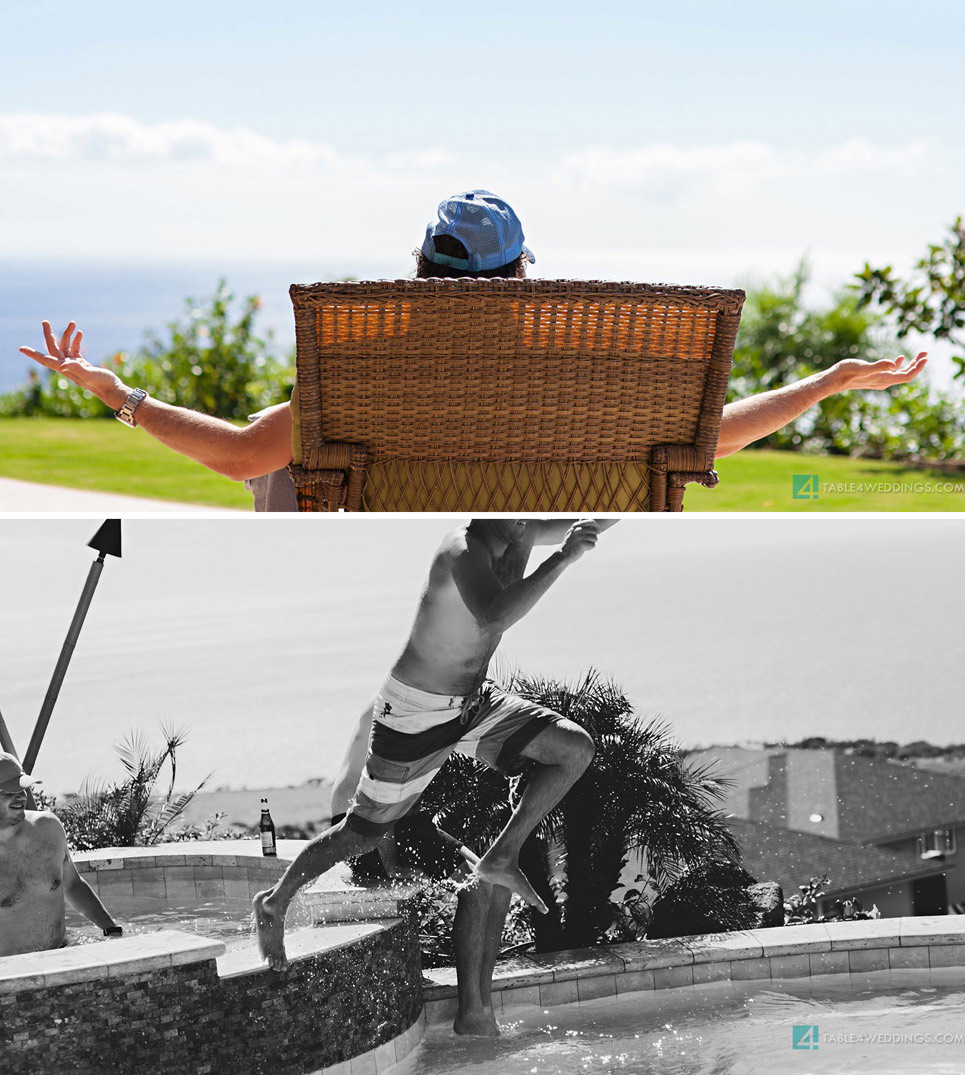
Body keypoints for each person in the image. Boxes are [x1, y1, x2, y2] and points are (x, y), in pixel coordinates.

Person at [18, 190, 927, 508]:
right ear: (525, 276)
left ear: (414, 270)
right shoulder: (580, 372)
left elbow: (239, 457)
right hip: (523, 542)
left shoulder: (366, 369)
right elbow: (708, 437)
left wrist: (118, 394)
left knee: (284, 464)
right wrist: (826, 383)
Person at [253, 517, 614, 1035]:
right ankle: (275, 901)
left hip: (470, 705)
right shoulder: (461, 550)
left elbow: (591, 522)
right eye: (517, 506)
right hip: (418, 712)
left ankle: (503, 856)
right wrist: (564, 558)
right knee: (362, 833)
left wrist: (649, 492)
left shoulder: (521, 531)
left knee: (573, 749)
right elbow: (492, 616)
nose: (529, 516)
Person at [0, 752, 123, 956]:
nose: (21, 797)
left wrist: (111, 929)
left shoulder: (48, 829)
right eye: (10, 791)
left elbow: (72, 885)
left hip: (61, 955)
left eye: (22, 789)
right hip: (12, 972)